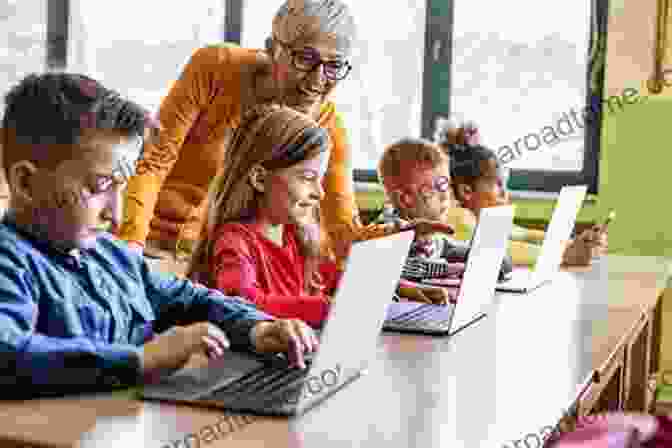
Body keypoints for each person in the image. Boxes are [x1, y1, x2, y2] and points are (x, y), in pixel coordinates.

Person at [0, 73, 316, 398]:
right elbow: (7, 352)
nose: (116, 214)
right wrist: (140, 360)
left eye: (122, 188)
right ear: (25, 183)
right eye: (99, 187)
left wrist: (257, 328)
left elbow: (191, 299)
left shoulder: (111, 255)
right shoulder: (9, 262)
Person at [118, 0, 438, 268]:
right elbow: (153, 162)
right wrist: (131, 244)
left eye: (333, 66)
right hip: (156, 248)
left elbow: (341, 231)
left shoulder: (329, 126)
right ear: (272, 49)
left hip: (234, 265)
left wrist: (400, 235)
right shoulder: (214, 67)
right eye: (305, 59)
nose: (317, 79)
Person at [187, 104, 339, 328]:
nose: (320, 192)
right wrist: (329, 309)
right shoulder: (234, 241)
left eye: (320, 178)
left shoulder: (294, 234)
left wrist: (396, 287)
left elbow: (336, 278)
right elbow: (243, 303)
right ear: (259, 179)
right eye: (307, 177)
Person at [433, 119, 608, 267]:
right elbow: (496, 250)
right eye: (498, 185)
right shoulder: (457, 219)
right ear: (467, 191)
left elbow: (519, 233)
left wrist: (577, 243)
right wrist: (564, 253)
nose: (505, 194)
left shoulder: (478, 219)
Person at [377, 137, 512, 305]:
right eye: (434, 188)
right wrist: (447, 269)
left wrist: (490, 258)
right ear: (406, 199)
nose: (445, 195)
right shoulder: (387, 233)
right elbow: (399, 270)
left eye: (445, 184)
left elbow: (449, 249)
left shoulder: (435, 240)